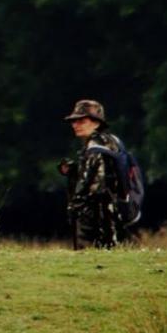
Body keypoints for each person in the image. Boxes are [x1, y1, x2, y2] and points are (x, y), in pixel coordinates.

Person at [59, 98, 126, 249]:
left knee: (91, 259)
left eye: (81, 121)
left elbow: (97, 186)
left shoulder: (96, 147)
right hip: (112, 212)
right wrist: (75, 170)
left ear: (96, 123)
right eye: (74, 121)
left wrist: (75, 206)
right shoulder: (110, 141)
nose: (75, 125)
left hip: (97, 216)